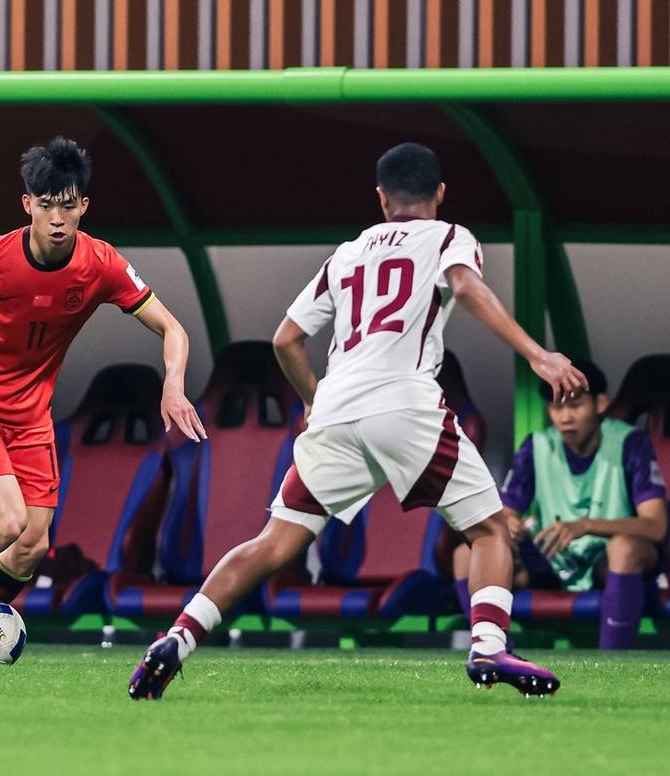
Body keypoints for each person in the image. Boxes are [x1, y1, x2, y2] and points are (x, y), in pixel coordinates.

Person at [129, 142, 586, 700]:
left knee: (273, 542)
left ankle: (178, 637)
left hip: (338, 408)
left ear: (381, 198)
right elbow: (466, 287)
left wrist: (313, 401)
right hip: (404, 402)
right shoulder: (449, 236)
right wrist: (538, 354)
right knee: (489, 529)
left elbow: (286, 340)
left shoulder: (347, 253)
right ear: (441, 193)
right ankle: (488, 645)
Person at [0, 137, 207, 659]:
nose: (57, 218)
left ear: (84, 206)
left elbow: (173, 328)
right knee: (5, 524)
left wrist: (173, 384)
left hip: (31, 416)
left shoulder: (101, 264)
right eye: (47, 204)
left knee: (31, 545)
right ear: (27, 204)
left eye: (68, 205)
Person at [452, 361, 666, 649]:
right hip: (552, 559)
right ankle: (495, 653)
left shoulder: (630, 442)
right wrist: (509, 524)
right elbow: (505, 513)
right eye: (556, 407)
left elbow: (655, 525)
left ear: (600, 404)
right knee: (465, 555)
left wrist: (585, 526)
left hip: (606, 562)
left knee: (625, 549)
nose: (565, 417)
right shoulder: (537, 445)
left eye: (575, 406)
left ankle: (612, 660)